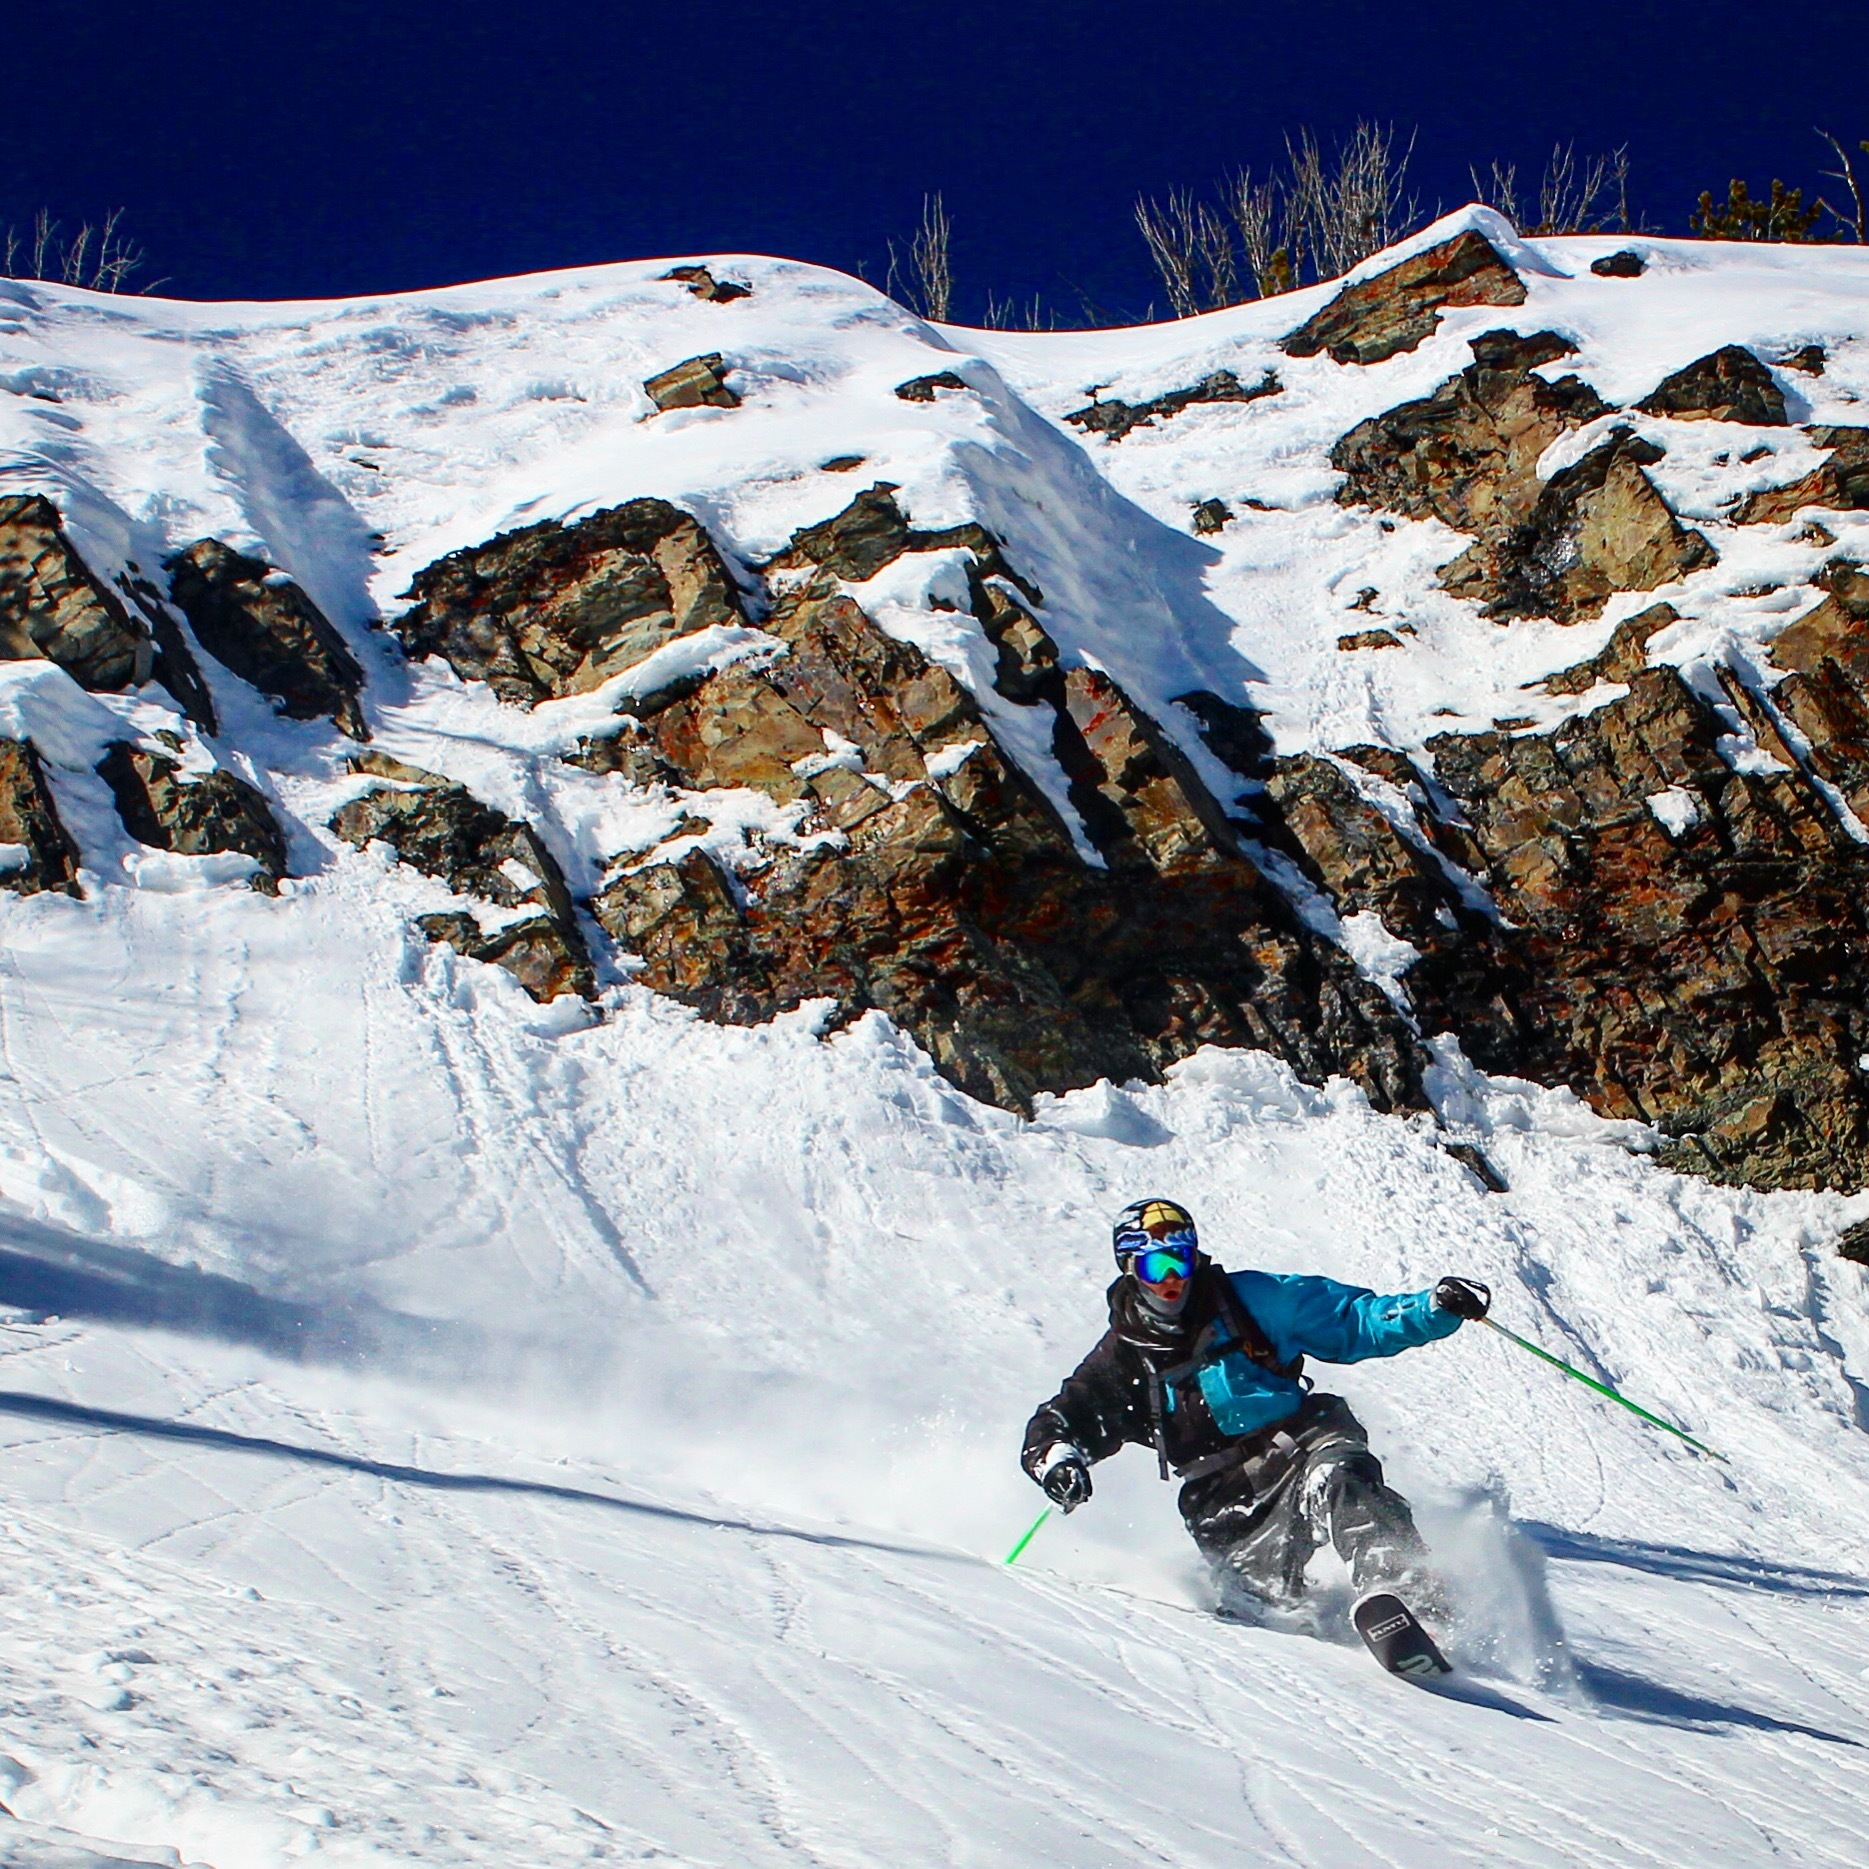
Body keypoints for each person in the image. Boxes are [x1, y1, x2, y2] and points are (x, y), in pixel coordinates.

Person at [1020, 1197, 1490, 1626]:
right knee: (1269, 1612)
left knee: (1341, 1478)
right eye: (1155, 1265)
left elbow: (1353, 1320)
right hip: (1220, 1494)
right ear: (1130, 1269)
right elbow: (1062, 1419)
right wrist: (1059, 1460)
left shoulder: (1248, 1301)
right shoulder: (1124, 1358)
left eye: (1180, 1260)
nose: (1171, 1279)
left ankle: (1406, 1590)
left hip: (1297, 1443)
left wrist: (1432, 1308)